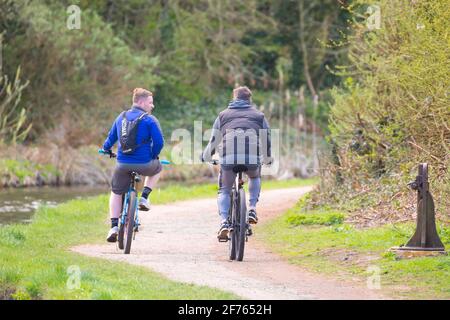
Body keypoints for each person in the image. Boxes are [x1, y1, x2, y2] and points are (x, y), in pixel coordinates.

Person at [201, 86, 272, 239]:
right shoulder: (259, 116)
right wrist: (267, 157)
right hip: (252, 158)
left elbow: (214, 140)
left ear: (234, 98)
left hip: (228, 158)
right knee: (254, 177)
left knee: (224, 190)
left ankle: (224, 222)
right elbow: (266, 139)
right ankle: (252, 208)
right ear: (249, 100)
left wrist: (206, 156)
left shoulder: (223, 115)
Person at [102, 88, 164, 242]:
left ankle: (114, 226)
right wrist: (152, 155)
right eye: (150, 102)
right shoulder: (150, 120)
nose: (152, 106)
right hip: (144, 164)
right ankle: (144, 197)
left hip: (122, 164)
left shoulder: (121, 117)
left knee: (116, 192)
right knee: (158, 168)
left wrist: (106, 150)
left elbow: (110, 140)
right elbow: (159, 142)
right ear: (141, 102)